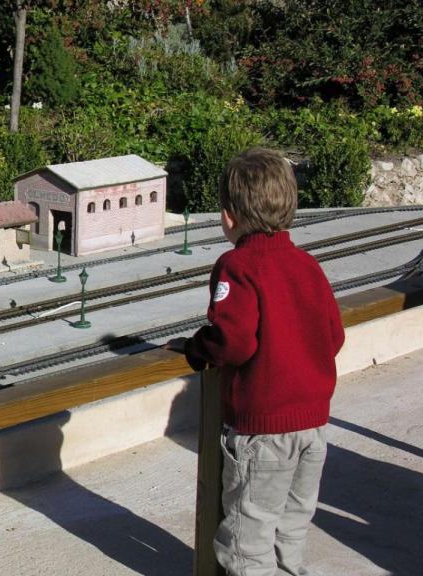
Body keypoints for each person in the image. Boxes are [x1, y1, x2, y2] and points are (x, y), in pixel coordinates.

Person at [166, 148, 344, 576]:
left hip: (264, 430)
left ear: (229, 216)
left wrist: (197, 348)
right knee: (290, 529)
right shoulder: (307, 265)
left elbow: (234, 341)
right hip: (313, 427)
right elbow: (334, 336)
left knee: (247, 542)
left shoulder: (238, 266)